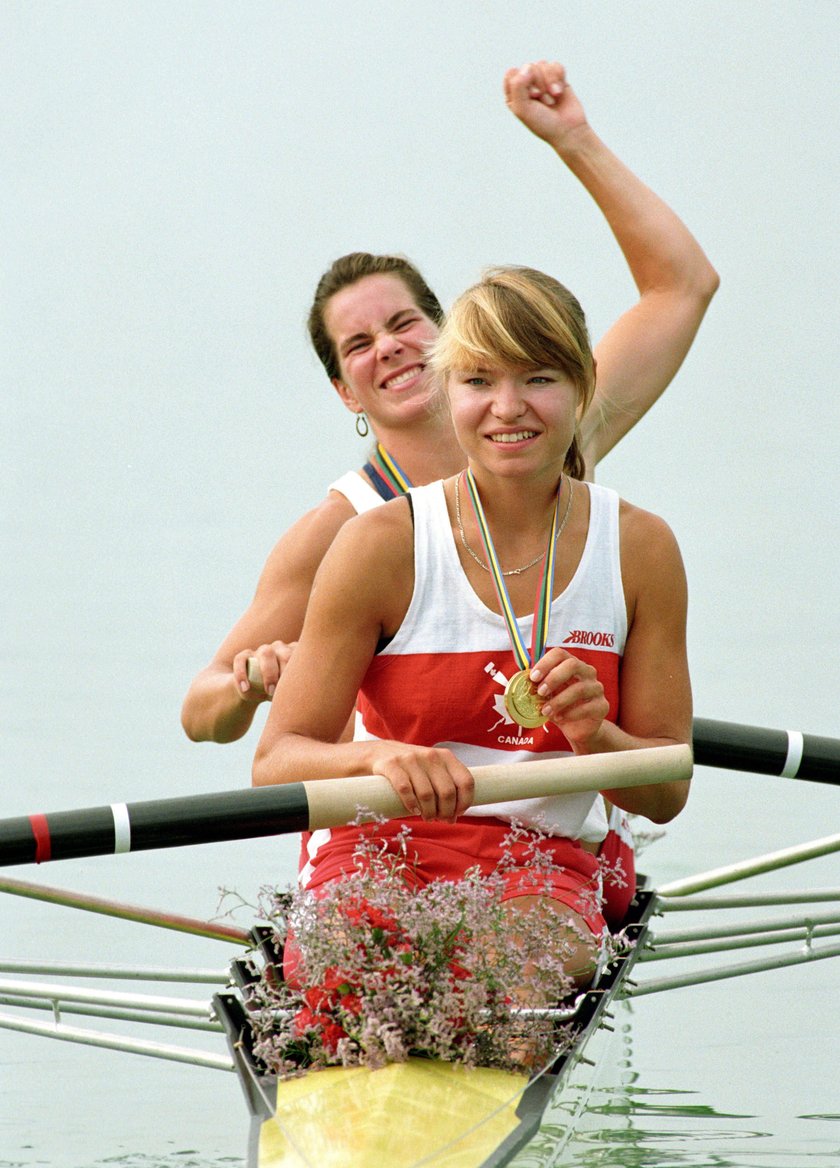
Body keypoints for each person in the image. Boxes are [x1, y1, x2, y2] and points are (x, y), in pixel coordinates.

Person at [180, 60, 716, 746]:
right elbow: (202, 713)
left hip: (554, 824)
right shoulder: (344, 530)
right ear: (345, 392)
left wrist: (573, 140)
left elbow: (682, 285)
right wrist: (250, 680)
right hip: (399, 821)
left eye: (404, 324)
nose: (390, 348)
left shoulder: (547, 426)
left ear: (447, 339)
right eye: (359, 345)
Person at [251, 265, 692, 990]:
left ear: (582, 386)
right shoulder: (379, 544)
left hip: (543, 858)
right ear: (448, 389)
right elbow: (276, 760)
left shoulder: (640, 548)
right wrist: (377, 760)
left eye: (539, 379)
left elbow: (667, 789)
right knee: (352, 981)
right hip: (377, 850)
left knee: (510, 975)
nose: (506, 408)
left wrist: (598, 736)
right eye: (479, 381)